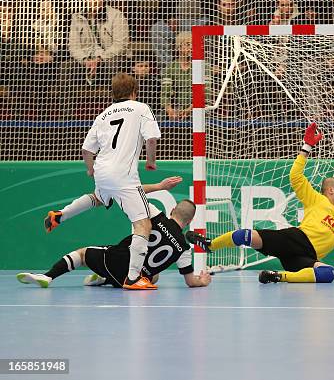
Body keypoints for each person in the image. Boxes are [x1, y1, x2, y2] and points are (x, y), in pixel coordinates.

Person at [193, 123, 334, 284]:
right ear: (330, 190)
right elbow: (295, 177)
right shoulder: (317, 199)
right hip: (296, 240)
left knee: (328, 273)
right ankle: (210, 245)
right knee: (246, 236)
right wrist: (307, 147)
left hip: (308, 256)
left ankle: (278, 276)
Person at [46, 73, 161, 290]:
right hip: (123, 175)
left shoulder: (103, 114)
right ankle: (134, 278)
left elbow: (87, 149)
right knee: (143, 224)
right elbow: (152, 138)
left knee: (98, 197)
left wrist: (90, 169)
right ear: (134, 92)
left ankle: (61, 215)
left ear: (113, 93)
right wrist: (151, 162)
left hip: (102, 169)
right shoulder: (141, 108)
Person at [19, 191, 211, 289]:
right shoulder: (185, 248)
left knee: (83, 254)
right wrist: (202, 281)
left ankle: (48, 276)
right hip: (134, 281)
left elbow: (132, 193)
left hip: (121, 261)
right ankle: (104, 278)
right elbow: (190, 282)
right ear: (190, 221)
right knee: (155, 276)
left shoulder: (156, 214)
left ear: (172, 210)